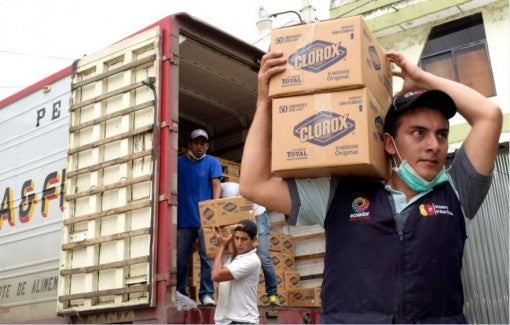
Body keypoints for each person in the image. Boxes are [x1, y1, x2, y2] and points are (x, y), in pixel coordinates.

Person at [239, 50, 502, 323]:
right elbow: (253, 184)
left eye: (442, 135)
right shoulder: (339, 195)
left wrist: (423, 78)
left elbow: (489, 115)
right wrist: (263, 103)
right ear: (390, 144)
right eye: (418, 133)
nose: (434, 145)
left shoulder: (457, 194)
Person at [177, 129, 223, 306]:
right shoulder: (179, 163)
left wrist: (215, 210)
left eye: (203, 143)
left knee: (207, 257)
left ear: (207, 146)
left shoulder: (212, 162)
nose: (199, 147)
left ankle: (206, 294)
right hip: (183, 219)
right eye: (196, 142)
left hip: (205, 220)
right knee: (181, 259)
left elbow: (216, 186)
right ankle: (180, 292)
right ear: (189, 144)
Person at [220, 181, 281, 306]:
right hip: (243, 218)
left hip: (258, 216)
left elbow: (232, 214)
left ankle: (273, 295)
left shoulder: (228, 191)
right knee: (233, 255)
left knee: (263, 256)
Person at [212, 219, 261, 324]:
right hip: (224, 320)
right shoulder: (231, 257)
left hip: (243, 321)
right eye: (236, 238)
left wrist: (221, 246)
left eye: (244, 239)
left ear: (253, 240)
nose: (239, 243)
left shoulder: (251, 260)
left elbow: (216, 275)